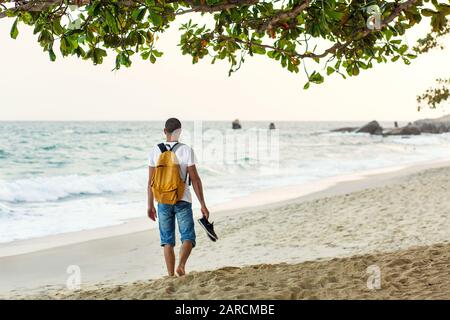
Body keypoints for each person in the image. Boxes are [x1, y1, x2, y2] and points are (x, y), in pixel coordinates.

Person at [147, 118, 210, 277]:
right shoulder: (186, 150)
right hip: (183, 199)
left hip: (162, 200)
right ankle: (181, 266)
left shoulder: (155, 150)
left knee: (167, 240)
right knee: (188, 236)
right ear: (180, 131)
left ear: (164, 131)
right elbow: (195, 179)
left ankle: (170, 275)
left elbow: (151, 182)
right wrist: (203, 204)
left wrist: (150, 205)